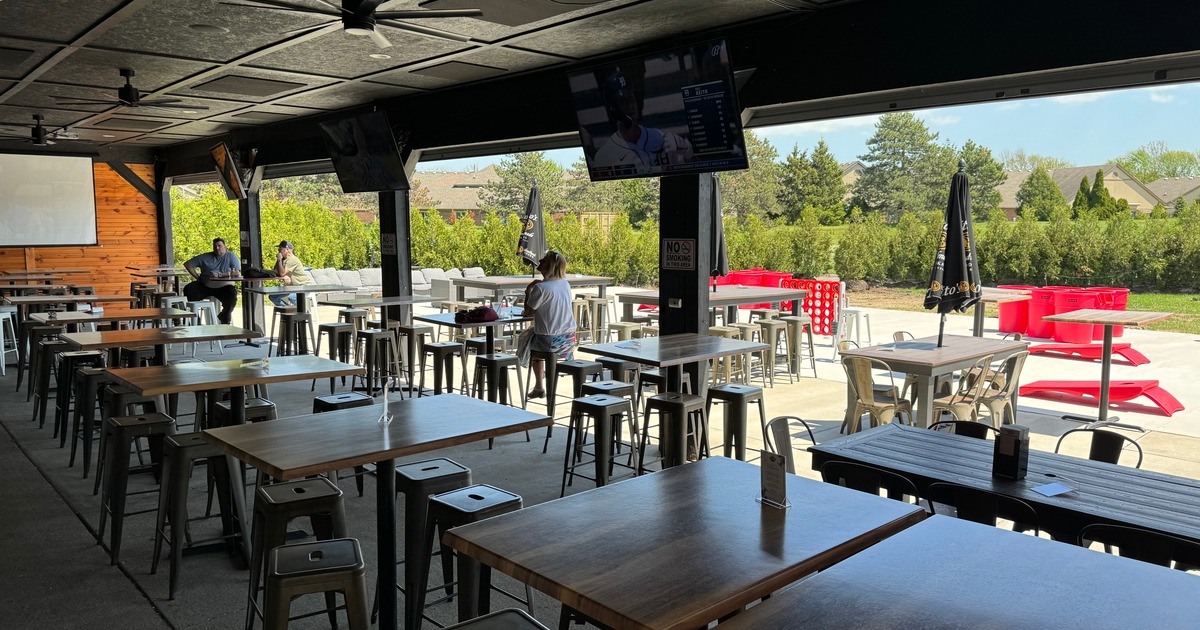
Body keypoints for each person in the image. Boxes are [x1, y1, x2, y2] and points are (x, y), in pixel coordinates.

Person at [591, 70, 694, 175]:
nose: (629, 105)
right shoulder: (604, 157)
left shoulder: (660, 138)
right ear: (613, 109)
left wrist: (687, 152)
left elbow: (695, 173)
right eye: (622, 101)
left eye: (631, 99)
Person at [522, 250, 577, 399]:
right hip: (569, 339)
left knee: (527, 339)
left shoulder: (540, 288)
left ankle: (538, 383)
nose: (539, 260)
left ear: (550, 266)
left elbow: (527, 312)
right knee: (534, 336)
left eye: (544, 259)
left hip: (550, 341)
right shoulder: (565, 284)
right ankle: (540, 384)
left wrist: (528, 290)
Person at [183, 237, 241, 324]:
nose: (217, 248)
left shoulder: (231, 256)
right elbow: (187, 264)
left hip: (224, 286)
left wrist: (220, 275)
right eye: (215, 246)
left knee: (232, 295)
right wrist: (198, 278)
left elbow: (237, 273)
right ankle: (195, 321)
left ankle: (224, 317)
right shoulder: (205, 257)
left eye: (219, 246)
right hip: (205, 285)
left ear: (225, 247)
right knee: (189, 289)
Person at [270, 240, 312, 307]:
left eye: (280, 249)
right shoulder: (284, 259)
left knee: (292, 297)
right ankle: (288, 310)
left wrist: (279, 259)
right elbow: (276, 272)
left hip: (303, 286)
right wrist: (279, 260)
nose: (279, 251)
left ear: (287, 249)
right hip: (293, 287)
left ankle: (304, 313)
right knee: (273, 297)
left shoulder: (292, 260)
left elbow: (281, 274)